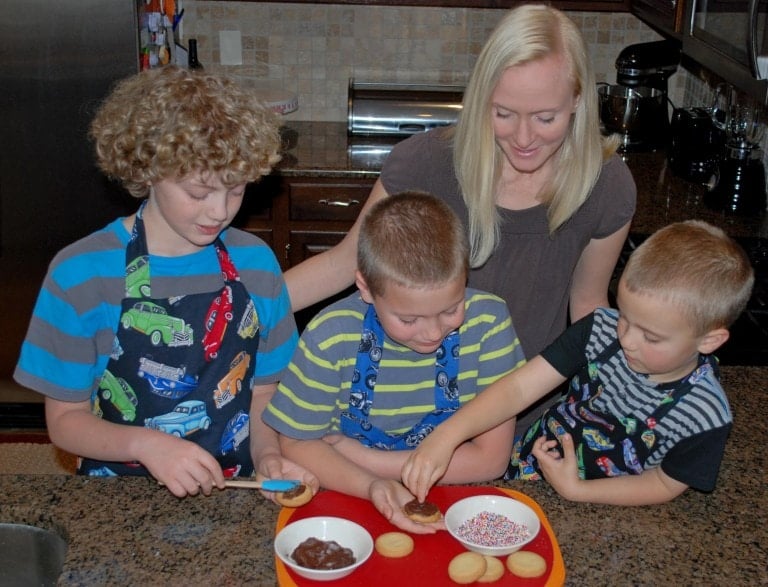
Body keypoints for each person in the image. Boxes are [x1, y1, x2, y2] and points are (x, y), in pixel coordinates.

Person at [284, 4, 636, 430]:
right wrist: (243, 309)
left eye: (546, 118)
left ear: (578, 100)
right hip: (405, 417)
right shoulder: (426, 163)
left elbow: (588, 304)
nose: (524, 138)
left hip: (526, 418)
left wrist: (618, 397)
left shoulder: (607, 185)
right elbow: (345, 263)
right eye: (503, 113)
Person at [13, 66, 319, 500]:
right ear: (149, 167)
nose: (219, 211)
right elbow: (65, 421)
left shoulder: (256, 264)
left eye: (236, 190)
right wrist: (147, 444)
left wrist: (268, 456)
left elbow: (263, 393)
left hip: (234, 488)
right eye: (199, 192)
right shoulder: (82, 274)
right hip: (120, 498)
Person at [401, 220, 754, 506]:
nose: (627, 340)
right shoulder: (598, 331)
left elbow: (663, 484)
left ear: (709, 340)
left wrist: (578, 491)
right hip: (526, 471)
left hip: (606, 510)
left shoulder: (705, 416)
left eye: (652, 337)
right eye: (625, 317)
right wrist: (448, 434)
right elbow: (519, 388)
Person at [263, 191, 526, 532]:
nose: (433, 332)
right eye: (408, 319)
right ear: (366, 289)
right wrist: (370, 484)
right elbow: (297, 443)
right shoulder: (331, 336)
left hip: (455, 507)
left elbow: (491, 461)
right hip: (348, 499)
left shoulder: (489, 325)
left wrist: (369, 461)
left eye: (450, 309)